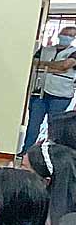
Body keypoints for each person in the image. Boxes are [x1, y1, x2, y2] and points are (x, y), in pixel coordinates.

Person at [21, 26, 76, 156]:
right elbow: (33, 62)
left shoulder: (74, 52)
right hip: (39, 93)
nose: (66, 37)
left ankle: (48, 156)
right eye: (65, 34)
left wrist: (45, 65)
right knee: (32, 126)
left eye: (70, 35)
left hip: (60, 96)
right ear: (60, 34)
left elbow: (65, 65)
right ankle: (26, 153)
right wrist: (56, 67)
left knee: (54, 128)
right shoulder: (46, 50)